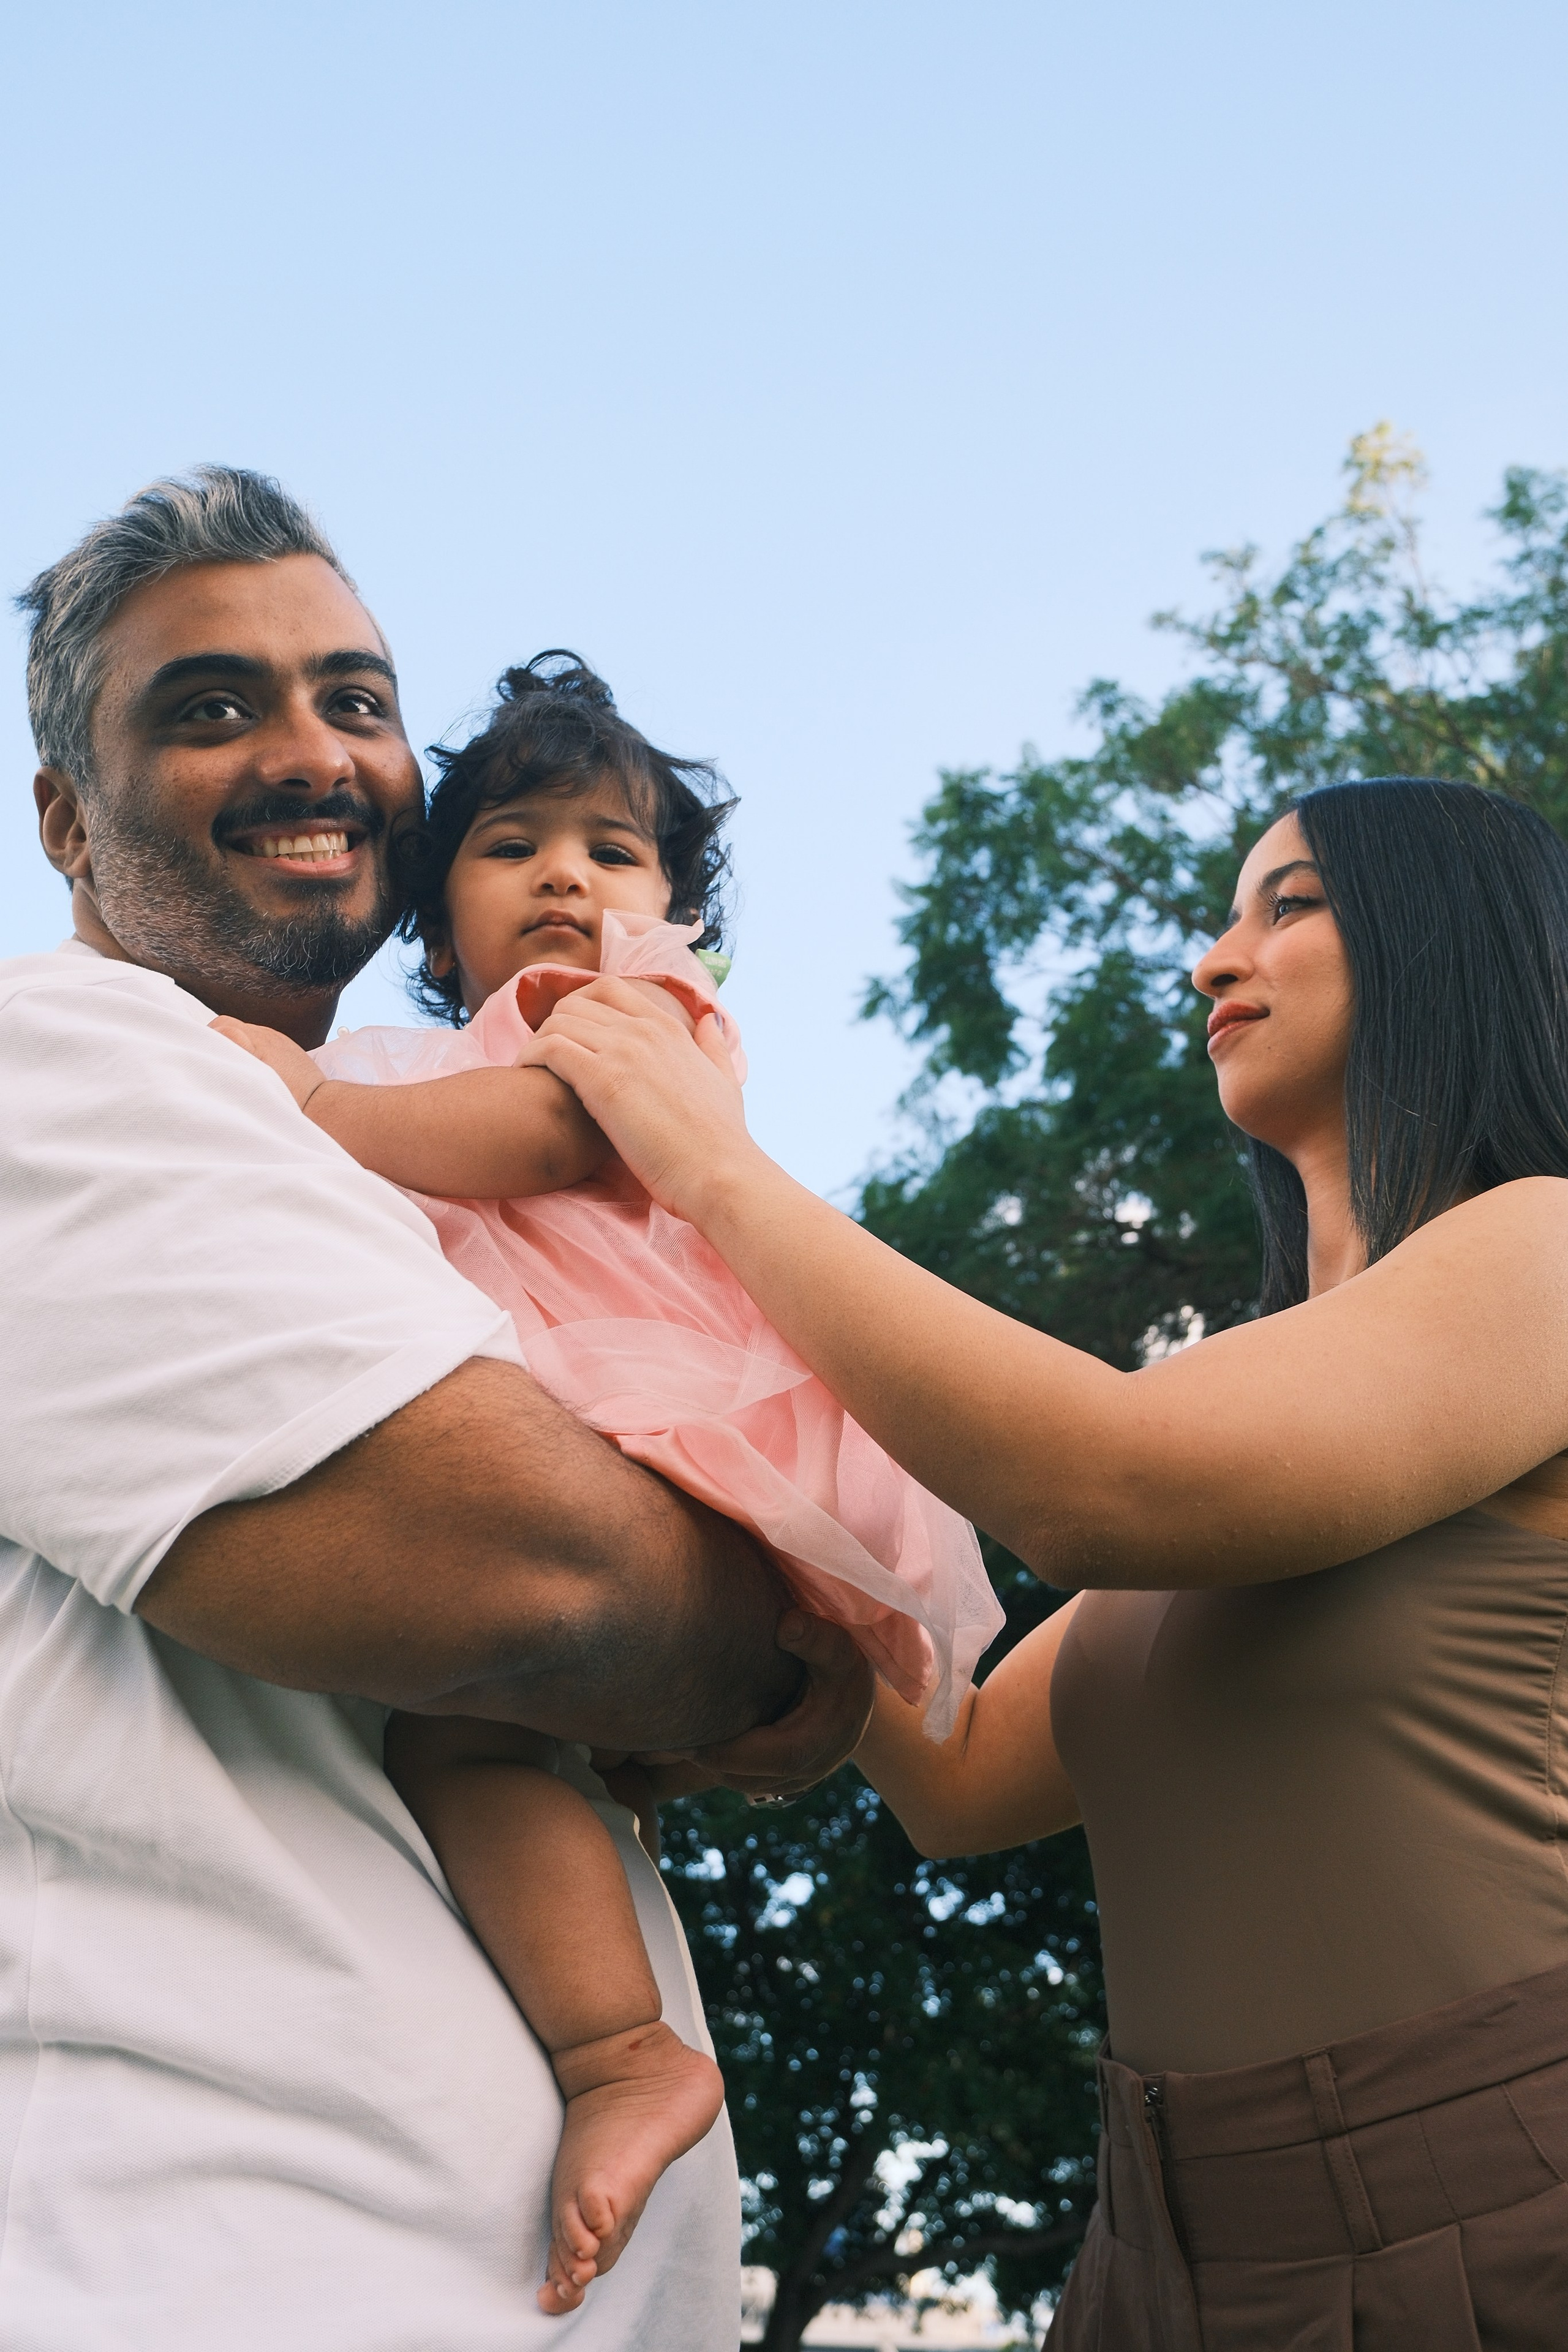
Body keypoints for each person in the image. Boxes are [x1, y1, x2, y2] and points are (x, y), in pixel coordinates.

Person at [524, 774, 1568, 2348]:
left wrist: (711, 1172)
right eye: (1225, 918)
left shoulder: (1541, 1249)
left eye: (1287, 906)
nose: (1216, 961)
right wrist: (667, 1400)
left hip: (1496, 2203)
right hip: (1156, 2256)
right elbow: (953, 1768)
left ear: (1449, 939)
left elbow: (1099, 1479)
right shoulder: (1257, 1416)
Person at [0, 466, 871, 2352]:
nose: (314, 753)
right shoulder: (59, 1051)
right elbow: (534, 1579)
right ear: (66, 818)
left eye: (359, 701)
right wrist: (771, 1659)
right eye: (211, 707)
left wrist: (771, 1667)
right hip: (224, 2270)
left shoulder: (434, 1118)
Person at [216, 650, 1002, 2315]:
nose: (566, 873)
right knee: (489, 1747)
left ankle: (618, 2054)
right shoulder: (444, 1060)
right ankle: (618, 2039)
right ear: (435, 925)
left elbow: (562, 1149)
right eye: (510, 846)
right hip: (569, 1424)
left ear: (672, 910)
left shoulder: (633, 1017)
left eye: (612, 848)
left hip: (648, 1405)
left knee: (467, 1731)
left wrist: (300, 1102)